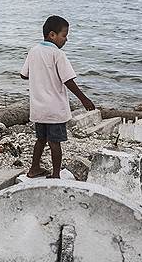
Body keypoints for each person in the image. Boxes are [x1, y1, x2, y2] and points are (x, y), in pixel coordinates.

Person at [21, 15, 95, 179]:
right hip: (54, 109)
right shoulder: (58, 54)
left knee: (40, 139)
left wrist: (40, 74)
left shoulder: (33, 51)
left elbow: (24, 75)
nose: (66, 39)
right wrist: (84, 99)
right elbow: (68, 80)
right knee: (55, 142)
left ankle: (34, 169)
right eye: (64, 35)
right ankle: (55, 174)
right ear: (52, 35)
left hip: (38, 108)